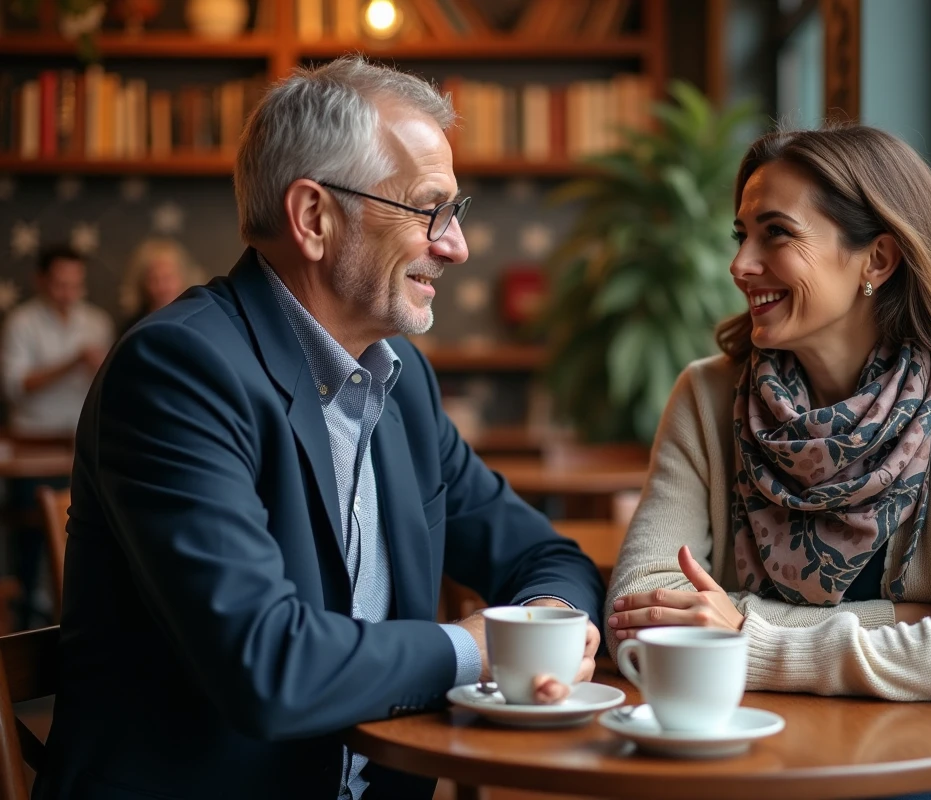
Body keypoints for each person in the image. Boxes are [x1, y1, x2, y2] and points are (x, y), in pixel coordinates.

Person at [35, 56, 605, 800]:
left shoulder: (403, 380)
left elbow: (542, 553)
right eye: (429, 209)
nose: (455, 245)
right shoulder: (177, 371)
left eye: (455, 213)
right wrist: (481, 649)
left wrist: (549, 621)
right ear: (313, 218)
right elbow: (267, 664)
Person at [604, 126, 931, 800]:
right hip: (745, 755)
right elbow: (639, 614)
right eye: (740, 234)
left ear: (878, 259)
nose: (741, 264)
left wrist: (747, 633)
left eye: (776, 233)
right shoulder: (708, 396)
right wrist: (906, 619)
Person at [1, 245, 113, 439]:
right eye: (60, 285)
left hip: (86, 433)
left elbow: (111, 388)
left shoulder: (98, 322)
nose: (68, 294)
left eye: (75, 286)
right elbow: (14, 387)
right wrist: (73, 362)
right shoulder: (20, 323)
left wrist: (101, 370)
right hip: (33, 435)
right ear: (40, 281)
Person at [118, 237, 204, 334]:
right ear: (141, 284)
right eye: (153, 280)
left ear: (184, 277)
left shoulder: (201, 323)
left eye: (168, 278)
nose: (162, 288)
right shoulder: (132, 329)